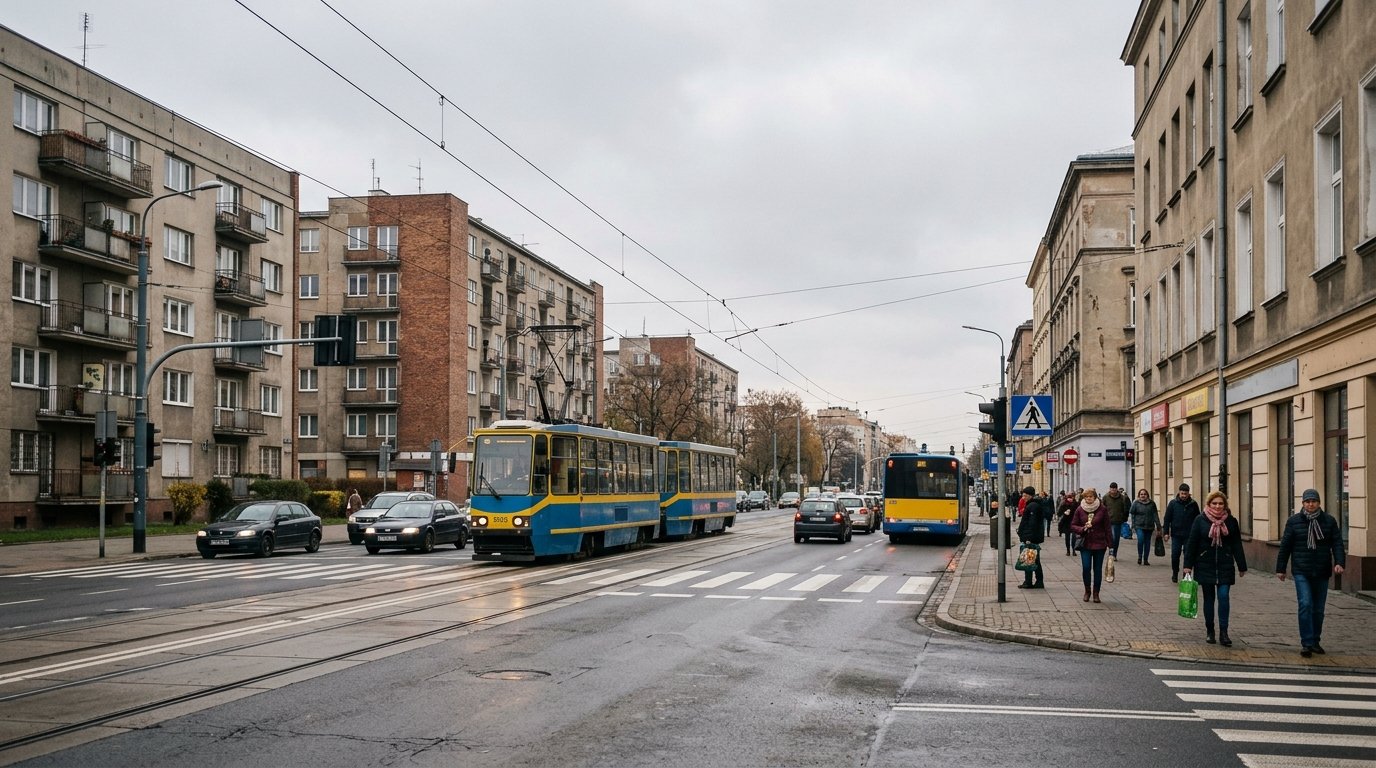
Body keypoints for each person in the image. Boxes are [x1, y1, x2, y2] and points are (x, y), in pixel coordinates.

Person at [1276, 489, 1347, 658]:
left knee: (1318, 609)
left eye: (1313, 501)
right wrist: (1281, 568)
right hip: (1301, 570)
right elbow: (1285, 546)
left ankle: (1315, 640)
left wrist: (1339, 562)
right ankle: (1306, 642)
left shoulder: (1329, 521)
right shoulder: (1293, 522)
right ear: (1302, 504)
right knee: (1306, 604)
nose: (1310, 504)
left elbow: (1337, 543)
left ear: (1319, 503)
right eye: (1307, 501)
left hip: (1322, 570)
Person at [1182, 491, 1247, 646]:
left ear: (1225, 505)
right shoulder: (1200, 520)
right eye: (1214, 503)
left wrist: (1241, 565)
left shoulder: (1231, 521)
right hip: (1205, 564)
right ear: (1209, 504)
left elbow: (1237, 544)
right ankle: (1210, 630)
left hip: (1225, 564)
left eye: (1221, 504)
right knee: (1209, 599)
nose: (1218, 506)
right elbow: (1192, 543)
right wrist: (1187, 566)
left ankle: (1224, 632)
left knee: (1224, 596)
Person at [1070, 487, 1112, 602]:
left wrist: (1111, 544)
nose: (1089, 499)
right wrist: (1082, 529)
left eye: (1091, 497)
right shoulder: (1080, 509)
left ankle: (1096, 593)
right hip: (1086, 543)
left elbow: (1107, 527)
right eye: (1087, 497)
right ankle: (1087, 591)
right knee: (1086, 567)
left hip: (1100, 543)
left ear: (1095, 497)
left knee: (1097, 569)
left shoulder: (1102, 509)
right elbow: (1073, 525)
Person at [1162, 483, 1201, 583]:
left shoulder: (1193, 504)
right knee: (1175, 555)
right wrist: (1166, 532)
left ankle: (1186, 575)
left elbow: (1198, 519)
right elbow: (1167, 519)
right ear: (1179, 493)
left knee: (1188, 555)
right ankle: (1175, 572)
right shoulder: (1173, 503)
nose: (1184, 495)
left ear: (1189, 493)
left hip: (1189, 535)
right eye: (1182, 493)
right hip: (1176, 534)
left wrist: (1198, 533)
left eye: (1186, 493)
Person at [1016, 486, 1048, 589]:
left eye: (1025, 495)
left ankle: (1029, 582)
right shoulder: (1032, 505)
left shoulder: (1033, 506)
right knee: (1034, 560)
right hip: (1031, 537)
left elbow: (1032, 524)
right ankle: (1038, 581)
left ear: (1030, 495)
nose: (1023, 497)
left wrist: (1028, 538)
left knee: (1028, 560)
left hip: (1030, 538)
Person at [1129, 488, 1161, 565]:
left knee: (1147, 543)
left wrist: (1158, 526)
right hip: (1139, 525)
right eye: (1141, 494)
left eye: (1144, 494)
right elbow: (1132, 514)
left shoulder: (1152, 504)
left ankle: (1146, 559)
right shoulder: (1136, 503)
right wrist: (1133, 525)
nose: (1143, 496)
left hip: (1149, 526)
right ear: (1139, 495)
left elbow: (1155, 514)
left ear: (1147, 495)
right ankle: (1140, 556)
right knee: (1140, 539)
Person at [1103, 482, 1129, 556]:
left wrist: (1124, 517)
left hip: (1118, 520)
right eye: (1112, 489)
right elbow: (1102, 508)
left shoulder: (1122, 497)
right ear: (1110, 489)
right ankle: (1111, 551)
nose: (1113, 490)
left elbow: (1125, 508)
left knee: (1116, 538)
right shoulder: (1106, 497)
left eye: (1114, 489)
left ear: (1117, 489)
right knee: (1110, 537)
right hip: (1108, 520)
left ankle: (1114, 553)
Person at [1057, 490, 1076, 555]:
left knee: (1074, 537)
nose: (1070, 499)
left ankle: (1073, 550)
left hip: (1074, 522)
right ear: (1067, 498)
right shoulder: (1063, 504)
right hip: (1066, 523)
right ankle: (1068, 550)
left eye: (1071, 498)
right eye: (1069, 498)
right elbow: (1059, 513)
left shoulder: (1076, 504)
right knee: (1067, 537)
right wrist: (1064, 513)